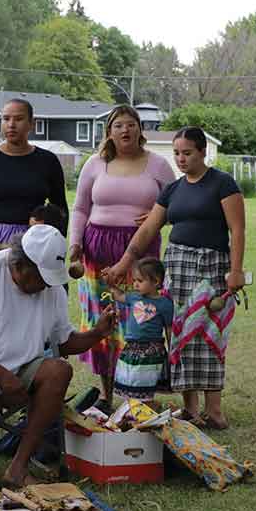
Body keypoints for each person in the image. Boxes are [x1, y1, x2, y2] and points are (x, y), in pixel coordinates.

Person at [0, 225, 116, 487]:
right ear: (20, 265)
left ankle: (18, 467)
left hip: (18, 373)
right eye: (41, 278)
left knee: (59, 371)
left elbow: (64, 342)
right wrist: (1, 374)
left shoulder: (51, 288)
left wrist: (97, 333)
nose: (45, 286)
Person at [104, 126, 246, 430]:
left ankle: (214, 410)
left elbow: (238, 230)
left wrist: (236, 271)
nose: (181, 159)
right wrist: (123, 263)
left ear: (202, 151)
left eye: (187, 153)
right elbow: (147, 230)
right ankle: (191, 409)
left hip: (211, 266)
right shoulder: (172, 189)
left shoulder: (223, 184)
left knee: (209, 335)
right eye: (177, 153)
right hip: (177, 267)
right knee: (180, 334)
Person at [69, 105, 175, 411]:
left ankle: (139, 391)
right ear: (109, 132)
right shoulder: (94, 164)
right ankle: (106, 392)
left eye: (131, 125)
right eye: (118, 125)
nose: (125, 130)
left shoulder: (158, 165)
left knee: (139, 317)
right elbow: (79, 208)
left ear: (140, 130)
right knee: (105, 317)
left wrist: (159, 217)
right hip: (97, 249)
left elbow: (175, 204)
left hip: (141, 253)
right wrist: (75, 243)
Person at [0, 98, 68, 260]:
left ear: (31, 123)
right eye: (6, 119)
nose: (11, 124)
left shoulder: (48, 161)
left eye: (18, 119)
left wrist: (56, 250)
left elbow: (60, 210)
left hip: (35, 244)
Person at [107, 258, 173, 405]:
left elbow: (169, 328)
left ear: (155, 282)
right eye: (134, 280)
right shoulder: (134, 297)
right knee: (131, 379)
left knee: (145, 384)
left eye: (140, 280)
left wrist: (172, 350)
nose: (135, 284)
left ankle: (146, 409)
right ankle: (133, 410)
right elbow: (118, 295)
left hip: (151, 350)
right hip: (132, 347)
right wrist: (110, 283)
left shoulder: (165, 304)